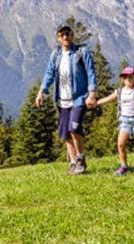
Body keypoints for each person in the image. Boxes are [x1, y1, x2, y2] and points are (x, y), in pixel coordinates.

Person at [35, 24, 97, 175]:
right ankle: (73, 162)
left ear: (72, 36)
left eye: (68, 34)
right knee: (66, 133)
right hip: (62, 100)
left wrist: (92, 93)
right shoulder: (55, 55)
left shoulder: (81, 52)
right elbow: (49, 73)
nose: (65, 37)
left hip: (79, 98)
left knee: (74, 128)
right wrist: (41, 91)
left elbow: (91, 72)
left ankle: (81, 159)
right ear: (58, 37)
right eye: (62, 35)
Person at [96, 67, 134, 176]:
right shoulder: (119, 91)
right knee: (121, 144)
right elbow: (108, 99)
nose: (128, 79)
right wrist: (95, 103)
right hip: (125, 120)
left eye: (130, 77)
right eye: (125, 77)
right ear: (122, 79)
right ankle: (124, 166)